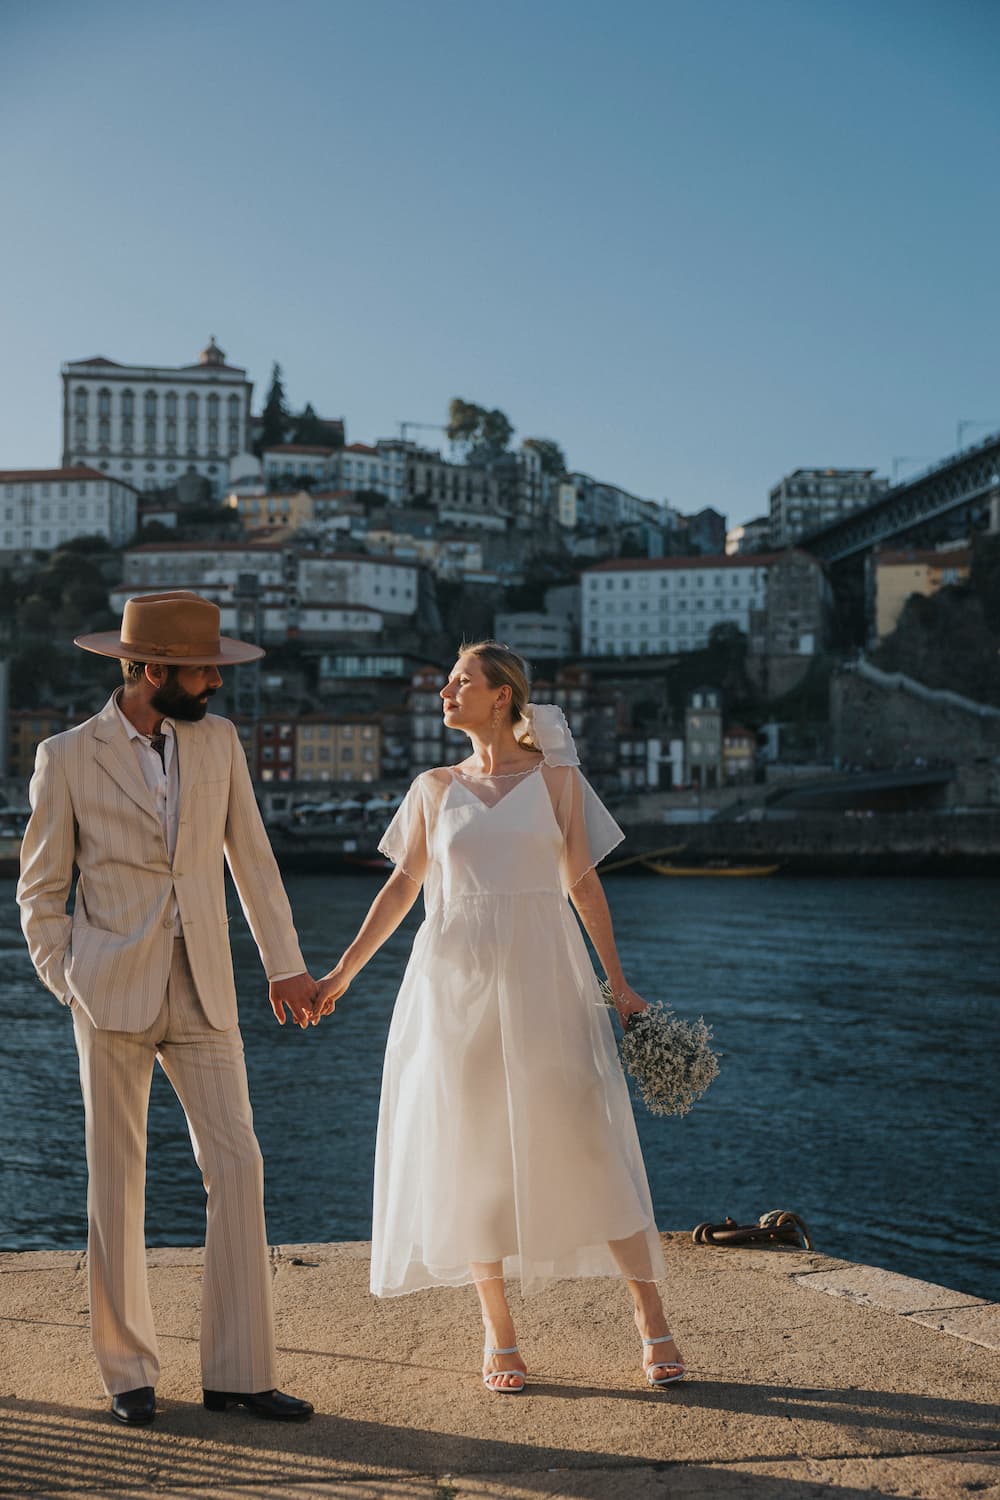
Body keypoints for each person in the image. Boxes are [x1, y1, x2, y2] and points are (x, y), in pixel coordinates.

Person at [313, 641, 686, 1393]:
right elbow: (401, 891)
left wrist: (619, 984)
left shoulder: (557, 779)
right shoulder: (431, 786)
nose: (445, 692)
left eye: (461, 682)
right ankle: (499, 1333)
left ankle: (651, 1316)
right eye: (446, 681)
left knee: (588, 1139)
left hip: (545, 976)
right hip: (453, 985)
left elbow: (583, 885)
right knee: (471, 1151)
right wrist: (342, 973)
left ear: (503, 697)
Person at [17, 591, 316, 1427]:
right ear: (153, 671)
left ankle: (239, 1371)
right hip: (108, 991)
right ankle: (127, 1375)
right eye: (202, 671)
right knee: (118, 1186)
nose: (216, 684)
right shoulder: (67, 756)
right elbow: (40, 891)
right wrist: (68, 977)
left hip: (207, 989)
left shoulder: (217, 742)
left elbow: (252, 860)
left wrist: (284, 969)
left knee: (240, 1168)